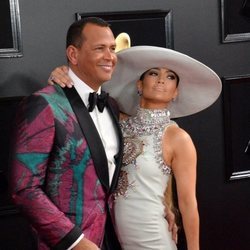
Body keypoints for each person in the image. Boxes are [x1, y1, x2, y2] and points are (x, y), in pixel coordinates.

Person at [47, 45, 222, 250]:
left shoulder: (178, 138)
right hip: (112, 236)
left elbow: (188, 204)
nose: (161, 80)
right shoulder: (116, 122)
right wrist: (59, 75)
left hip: (153, 239)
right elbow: (76, 108)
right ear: (140, 84)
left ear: (176, 93)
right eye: (154, 73)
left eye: (171, 77)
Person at [10, 17, 123, 250]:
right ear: (73, 54)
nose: (110, 56)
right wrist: (75, 242)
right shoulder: (44, 104)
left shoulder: (111, 104)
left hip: (113, 238)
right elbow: (24, 188)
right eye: (99, 48)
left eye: (112, 48)